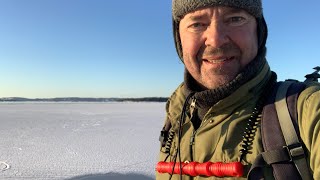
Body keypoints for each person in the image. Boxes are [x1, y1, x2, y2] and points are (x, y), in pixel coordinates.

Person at [156, 0, 320, 179]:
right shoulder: (176, 114)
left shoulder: (307, 109)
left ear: (259, 31)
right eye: (197, 24)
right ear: (178, 37)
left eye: (235, 19)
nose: (216, 40)